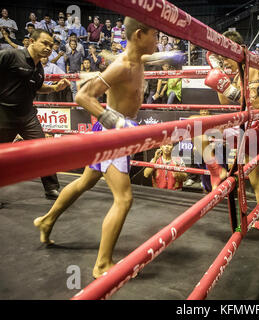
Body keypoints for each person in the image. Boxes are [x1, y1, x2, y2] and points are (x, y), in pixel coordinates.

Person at [33, 17, 159, 278]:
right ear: (138, 35)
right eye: (154, 35)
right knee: (123, 199)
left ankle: (47, 220)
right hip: (113, 135)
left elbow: (145, 59)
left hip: (114, 131)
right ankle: (102, 264)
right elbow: (82, 96)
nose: (158, 40)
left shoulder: (136, 60)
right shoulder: (123, 65)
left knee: (84, 182)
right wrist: (118, 124)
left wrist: (167, 55)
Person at [202, 30, 259, 233]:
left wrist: (229, 86)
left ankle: (217, 171)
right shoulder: (242, 71)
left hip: (252, 129)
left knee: (197, 128)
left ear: (237, 50)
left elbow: (254, 102)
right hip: (250, 129)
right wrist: (219, 80)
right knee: (254, 179)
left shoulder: (252, 69)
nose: (225, 61)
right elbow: (226, 102)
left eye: (226, 56)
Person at [0, 29, 70, 199]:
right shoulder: (11, 55)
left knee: (43, 150)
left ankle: (51, 187)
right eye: (44, 43)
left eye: (51, 45)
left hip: (27, 116)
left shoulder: (39, 69)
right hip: (4, 113)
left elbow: (37, 87)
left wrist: (54, 88)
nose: (48, 48)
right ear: (31, 41)